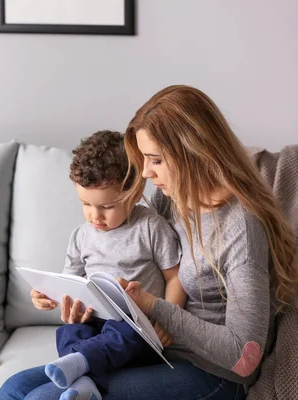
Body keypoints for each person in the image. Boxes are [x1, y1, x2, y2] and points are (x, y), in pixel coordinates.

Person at [0, 85, 298, 400]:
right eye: (143, 159)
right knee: (12, 389)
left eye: (155, 160)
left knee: (39, 398)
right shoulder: (171, 198)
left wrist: (156, 308)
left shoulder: (240, 228)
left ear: (194, 153)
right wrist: (77, 296)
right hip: (151, 349)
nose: (144, 172)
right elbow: (133, 248)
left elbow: (244, 357)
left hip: (211, 372)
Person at [32, 130, 185, 400]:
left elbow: (175, 278)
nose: (95, 215)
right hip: (94, 325)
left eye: (107, 206)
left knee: (125, 330)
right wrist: (48, 295)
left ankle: (81, 367)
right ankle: (84, 386)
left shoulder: (150, 227)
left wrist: (167, 320)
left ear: (135, 192)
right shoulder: (81, 235)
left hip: (137, 328)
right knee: (68, 331)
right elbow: (70, 283)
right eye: (85, 204)